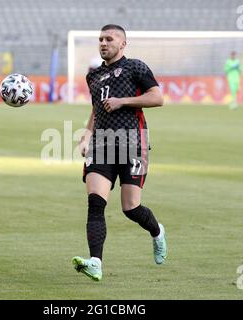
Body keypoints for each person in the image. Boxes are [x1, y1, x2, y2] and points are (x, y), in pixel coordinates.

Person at [72, 24, 167, 282]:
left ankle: (157, 231)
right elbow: (96, 109)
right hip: (102, 144)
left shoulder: (135, 67)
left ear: (123, 43)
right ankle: (95, 263)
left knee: (130, 207)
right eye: (100, 39)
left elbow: (157, 97)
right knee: (95, 203)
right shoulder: (93, 76)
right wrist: (87, 133)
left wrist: (122, 101)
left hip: (133, 142)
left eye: (109, 39)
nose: (103, 43)